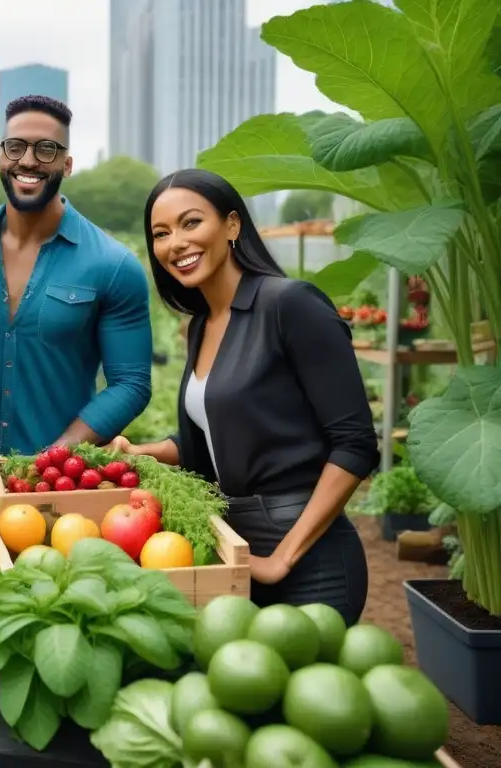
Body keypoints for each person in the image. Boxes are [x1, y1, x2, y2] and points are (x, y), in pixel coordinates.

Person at [108, 168, 378, 626]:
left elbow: (355, 444)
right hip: (234, 546)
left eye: (191, 223)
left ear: (232, 225)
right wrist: (142, 452)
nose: (176, 243)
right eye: (161, 233)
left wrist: (282, 558)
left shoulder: (289, 304)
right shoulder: (201, 325)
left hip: (309, 557)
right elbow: (214, 435)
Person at [0, 95, 153, 488]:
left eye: (47, 149)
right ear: (0, 156)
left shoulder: (113, 265)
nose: (28, 160)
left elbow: (131, 383)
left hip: (55, 492)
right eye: (16, 146)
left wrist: (54, 458)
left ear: (67, 164)